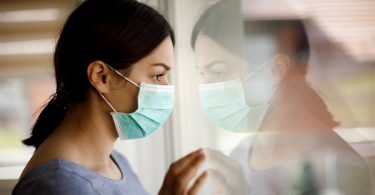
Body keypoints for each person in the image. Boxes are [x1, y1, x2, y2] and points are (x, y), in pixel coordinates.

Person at [12, 0, 207, 194]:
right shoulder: (61, 185)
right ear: (101, 76)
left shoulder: (115, 162)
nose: (167, 88)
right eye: (157, 75)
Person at [191, 0, 372, 194]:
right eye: (203, 74)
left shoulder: (337, 164)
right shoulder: (239, 155)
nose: (207, 88)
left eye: (219, 72)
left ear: (276, 69)